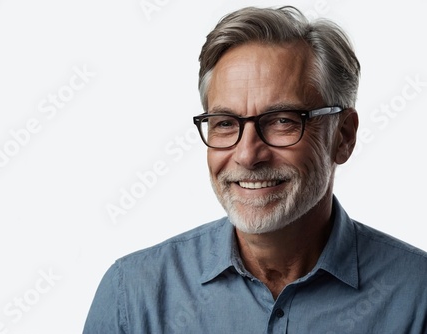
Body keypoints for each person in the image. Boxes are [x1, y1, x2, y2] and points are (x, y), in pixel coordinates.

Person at [83, 6, 427, 333]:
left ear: (344, 137)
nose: (247, 155)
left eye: (282, 121)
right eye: (225, 123)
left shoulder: (418, 296)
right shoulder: (132, 296)